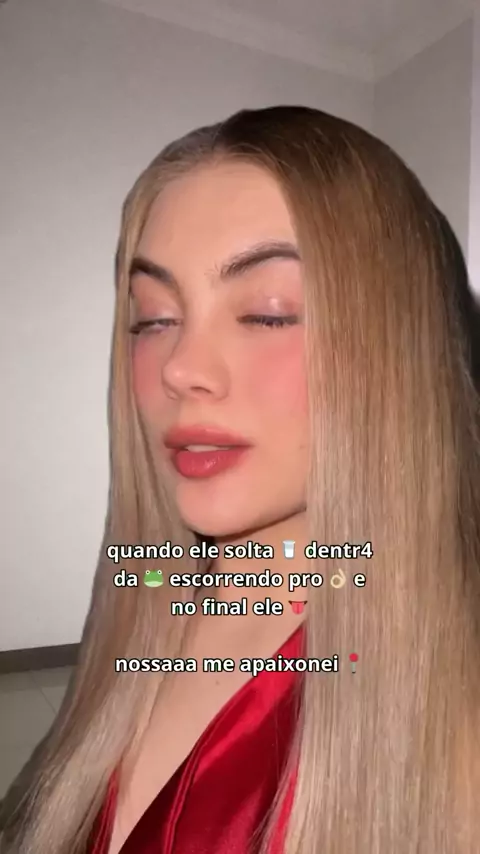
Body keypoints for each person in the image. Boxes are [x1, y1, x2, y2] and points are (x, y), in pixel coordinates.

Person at [1, 105, 480, 854]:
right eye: (153, 318)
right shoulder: (142, 623)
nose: (180, 369)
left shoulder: (457, 732)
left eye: (267, 313)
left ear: (398, 349)